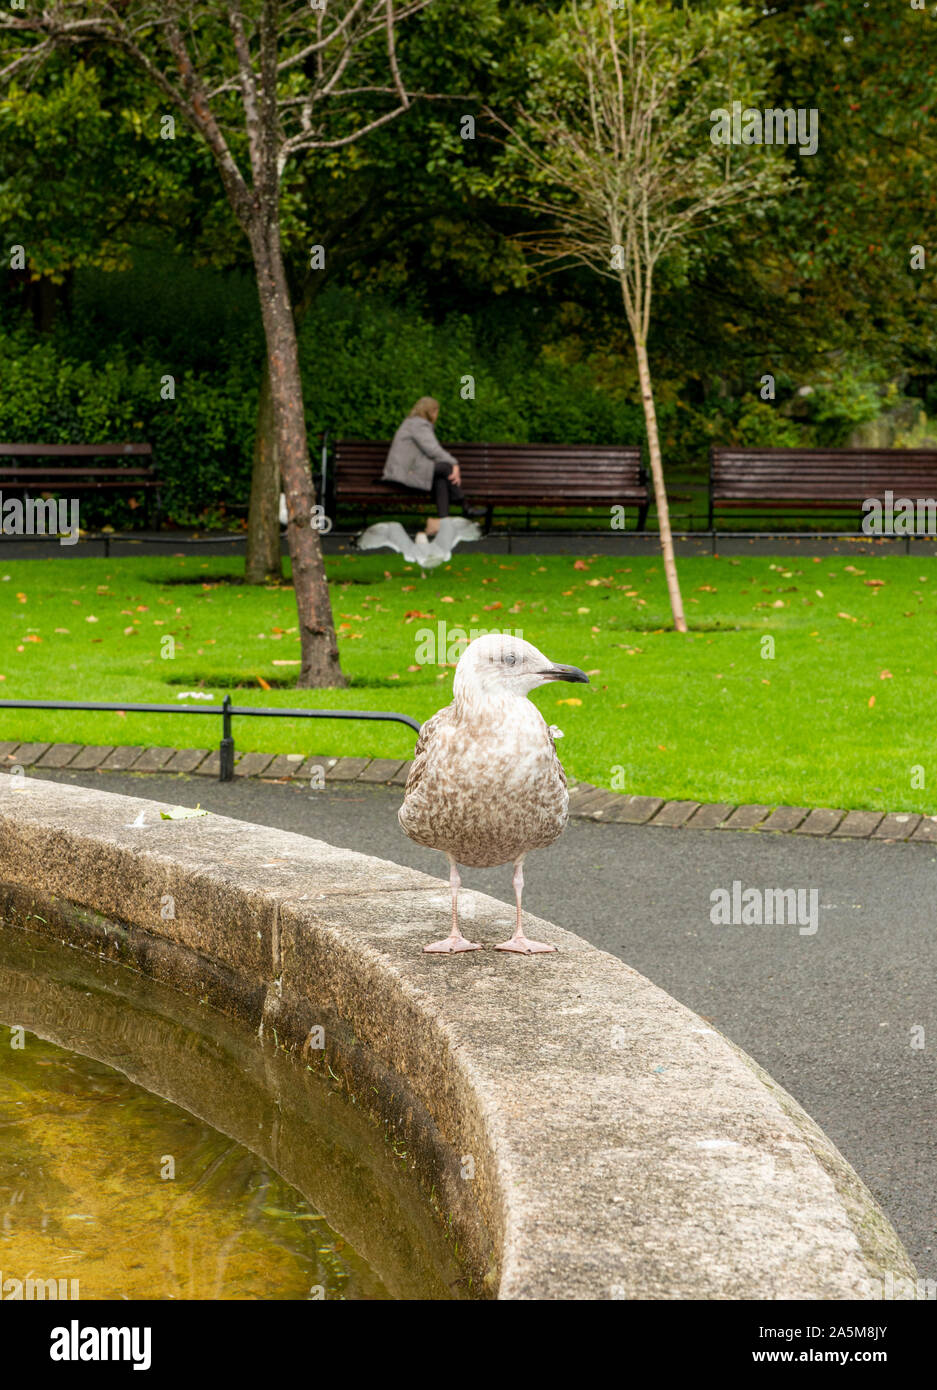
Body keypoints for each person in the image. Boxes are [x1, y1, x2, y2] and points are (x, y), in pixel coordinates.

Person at [382, 397, 474, 537]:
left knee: (441, 479)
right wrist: (455, 463)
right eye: (436, 411)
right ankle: (463, 503)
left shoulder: (413, 423)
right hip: (404, 473)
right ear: (431, 412)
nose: (437, 415)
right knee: (446, 468)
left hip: (408, 470)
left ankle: (444, 524)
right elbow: (433, 450)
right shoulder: (418, 425)